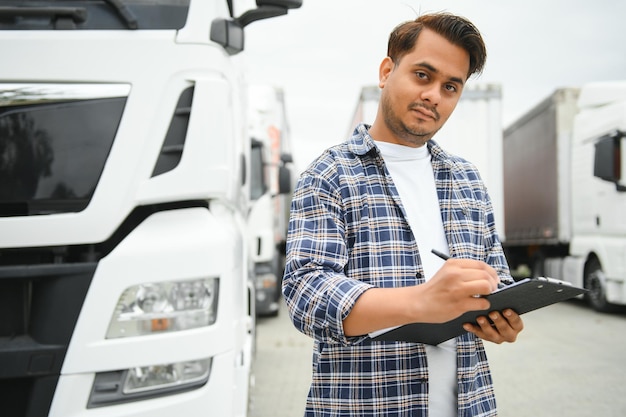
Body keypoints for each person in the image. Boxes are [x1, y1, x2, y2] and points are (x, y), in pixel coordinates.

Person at [282, 12, 524, 417]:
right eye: (423, 76)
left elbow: (498, 277)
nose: (434, 95)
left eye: (450, 86)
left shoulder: (466, 180)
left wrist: (501, 316)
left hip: (470, 405)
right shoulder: (330, 173)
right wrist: (420, 301)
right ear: (386, 71)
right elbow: (306, 294)